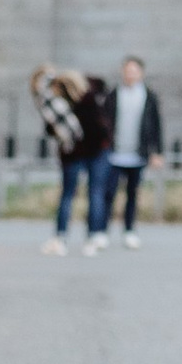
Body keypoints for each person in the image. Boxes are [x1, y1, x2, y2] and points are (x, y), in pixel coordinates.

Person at [34, 65, 113, 255]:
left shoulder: (57, 102)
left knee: (69, 194)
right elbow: (100, 128)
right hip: (95, 151)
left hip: (74, 153)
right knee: (94, 193)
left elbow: (52, 130)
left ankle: (61, 236)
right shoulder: (90, 98)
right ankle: (93, 236)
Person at [104, 55, 163, 246]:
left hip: (138, 154)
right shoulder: (113, 95)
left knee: (132, 194)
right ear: (122, 72)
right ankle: (102, 231)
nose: (130, 74)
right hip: (114, 154)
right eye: (127, 71)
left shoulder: (149, 96)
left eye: (134, 71)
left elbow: (156, 126)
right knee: (109, 193)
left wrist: (157, 152)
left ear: (141, 73)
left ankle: (129, 230)